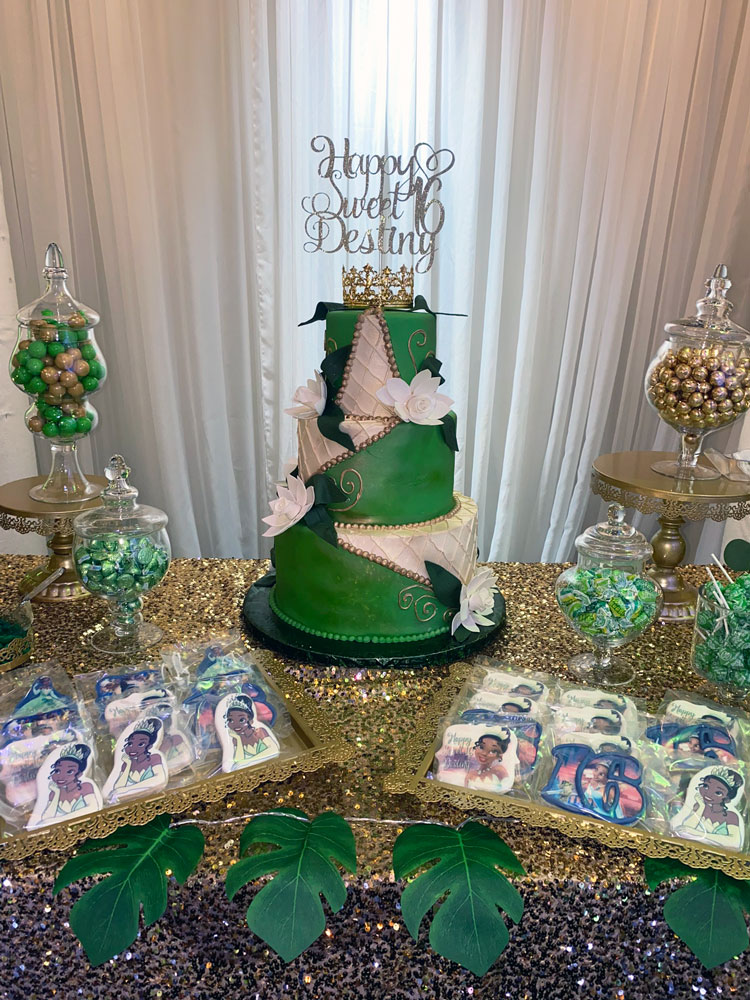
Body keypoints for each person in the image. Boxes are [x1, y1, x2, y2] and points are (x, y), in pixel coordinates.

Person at [673, 769, 744, 850]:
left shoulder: (731, 816)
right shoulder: (699, 806)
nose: (708, 793)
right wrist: (701, 807)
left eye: (718, 792)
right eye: (706, 786)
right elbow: (683, 830)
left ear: (727, 799)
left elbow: (735, 843)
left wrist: (697, 833)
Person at [39, 744, 100, 822]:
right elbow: (45, 818)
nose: (61, 776)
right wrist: (57, 793)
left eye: (69, 771)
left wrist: (60, 820)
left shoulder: (85, 787)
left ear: (79, 774)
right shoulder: (54, 793)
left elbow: (93, 808)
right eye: (57, 771)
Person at [111, 718, 167, 793]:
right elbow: (117, 788)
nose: (133, 748)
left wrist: (128, 789)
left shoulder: (154, 758)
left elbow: (159, 778)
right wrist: (128, 765)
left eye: (141, 744)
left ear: (150, 746)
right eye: (130, 743)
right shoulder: (126, 763)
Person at [223, 695, 277, 770]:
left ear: (250, 720)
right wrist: (238, 739)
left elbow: (274, 749)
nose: (236, 725)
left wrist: (247, 762)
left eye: (241, 720)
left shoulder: (259, 732)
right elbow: (238, 761)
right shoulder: (235, 739)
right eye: (230, 720)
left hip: (272, 767)